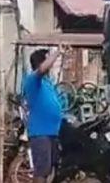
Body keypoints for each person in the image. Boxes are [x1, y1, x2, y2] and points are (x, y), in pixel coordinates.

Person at [22, 45, 67, 183]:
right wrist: (57, 52)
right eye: (48, 60)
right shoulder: (33, 79)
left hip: (52, 132)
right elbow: (42, 69)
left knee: (50, 169)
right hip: (40, 133)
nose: (52, 64)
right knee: (42, 170)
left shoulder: (48, 83)